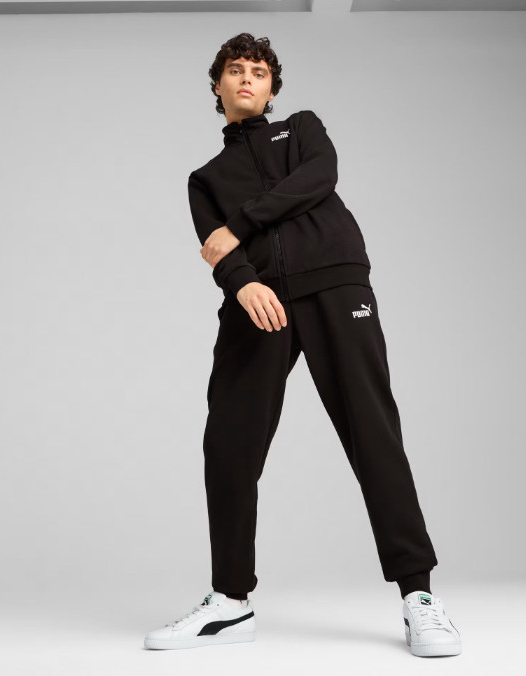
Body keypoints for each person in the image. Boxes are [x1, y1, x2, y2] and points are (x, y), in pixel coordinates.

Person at [144, 32, 461, 658]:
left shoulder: (302, 131)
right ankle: (230, 601)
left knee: (372, 430)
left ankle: (419, 596)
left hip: (335, 284)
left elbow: (318, 179)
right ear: (217, 86)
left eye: (259, 72)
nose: (247, 78)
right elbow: (214, 248)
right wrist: (242, 283)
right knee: (228, 442)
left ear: (271, 90)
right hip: (257, 302)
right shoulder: (205, 179)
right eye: (235, 70)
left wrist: (241, 225)